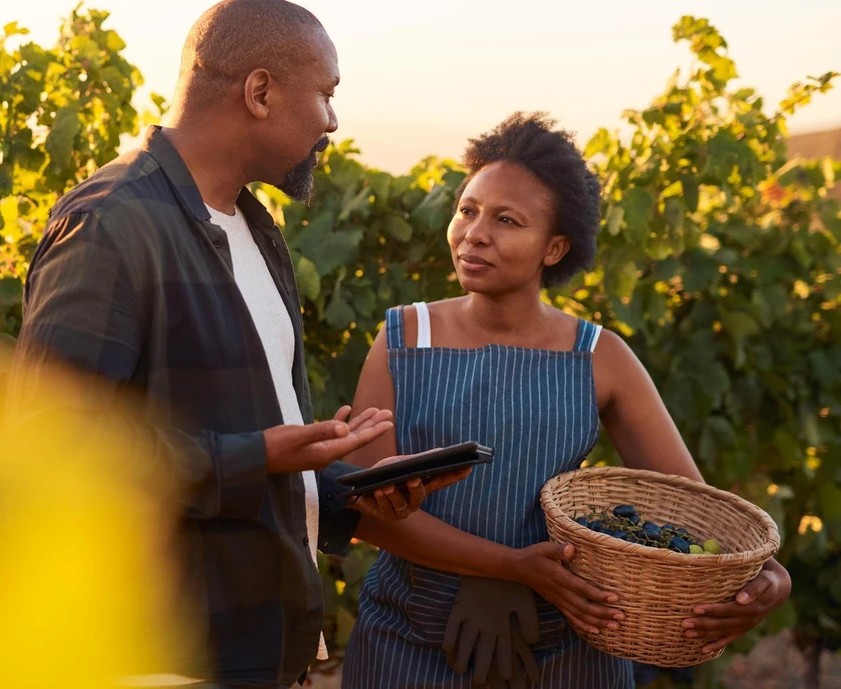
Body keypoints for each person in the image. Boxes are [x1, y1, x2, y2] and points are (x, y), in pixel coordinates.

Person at [6, 1, 469, 686]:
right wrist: (260, 454)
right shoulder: (111, 225)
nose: (332, 121)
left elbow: (236, 451)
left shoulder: (255, 229)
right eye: (326, 95)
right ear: (260, 92)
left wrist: (348, 491)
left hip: (258, 650)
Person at [339, 113, 792, 688]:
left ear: (554, 248)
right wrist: (508, 567)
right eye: (467, 210)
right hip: (408, 638)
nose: (475, 233)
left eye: (506, 219)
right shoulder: (403, 337)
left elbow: (691, 508)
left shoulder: (600, 356)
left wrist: (772, 578)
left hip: (567, 643)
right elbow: (364, 510)